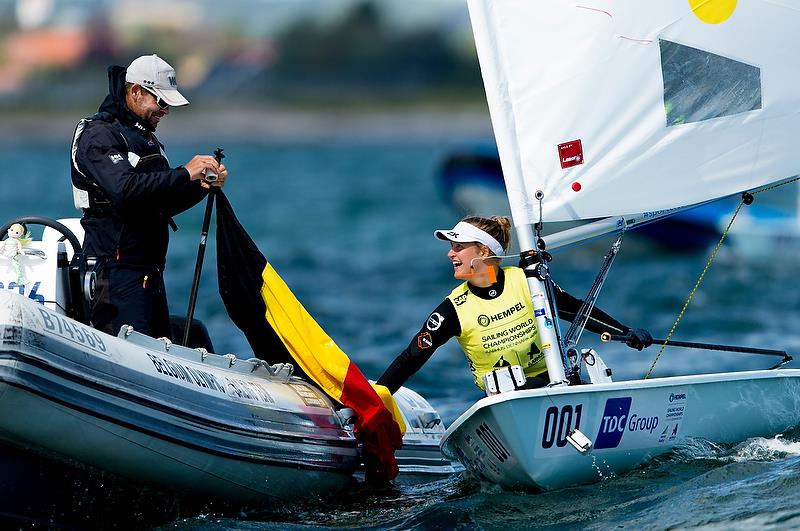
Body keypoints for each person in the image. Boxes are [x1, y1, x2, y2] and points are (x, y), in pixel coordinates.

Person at [377, 215, 652, 393]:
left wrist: (624, 332)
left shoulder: (527, 281)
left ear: (483, 252)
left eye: (458, 247)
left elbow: (578, 311)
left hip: (556, 382)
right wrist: (377, 396)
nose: (450, 253)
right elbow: (411, 358)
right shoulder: (454, 308)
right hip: (507, 399)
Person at [70, 53, 228, 339]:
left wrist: (201, 186)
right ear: (136, 92)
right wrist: (185, 172)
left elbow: (160, 202)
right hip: (115, 273)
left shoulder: (146, 139)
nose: (165, 110)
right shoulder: (100, 135)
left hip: (149, 273)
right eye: (161, 101)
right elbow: (125, 190)